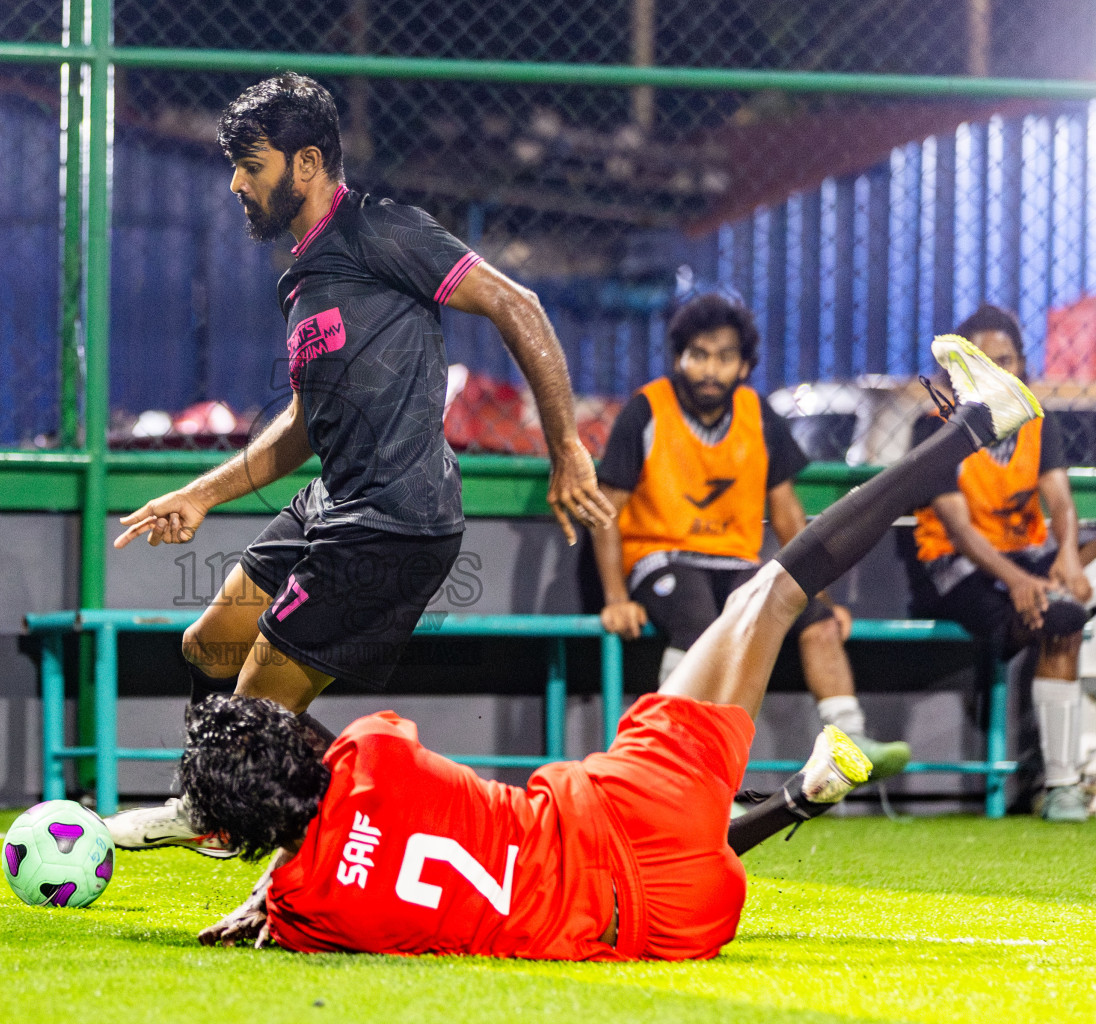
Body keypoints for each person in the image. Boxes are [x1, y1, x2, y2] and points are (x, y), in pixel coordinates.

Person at [180, 335, 1041, 959]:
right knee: (771, 594)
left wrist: (273, 885)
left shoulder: (306, 914)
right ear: (299, 741)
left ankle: (803, 797)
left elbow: (302, 887)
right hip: (631, 814)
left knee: (640, 840)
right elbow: (352, 778)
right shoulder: (369, 753)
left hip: (679, 924)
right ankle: (975, 425)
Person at [104, 74, 613, 854]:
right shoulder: (302, 279)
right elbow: (307, 425)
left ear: (306, 163)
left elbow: (520, 306)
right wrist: (203, 494)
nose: (238, 183)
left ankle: (311, 820)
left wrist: (567, 449)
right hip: (332, 500)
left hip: (395, 517)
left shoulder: (382, 228)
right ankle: (231, 799)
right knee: (210, 648)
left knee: (252, 720)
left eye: (252, 164)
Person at [588, 293, 910, 778]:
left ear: (744, 365)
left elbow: (786, 513)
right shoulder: (646, 410)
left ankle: (851, 741)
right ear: (679, 357)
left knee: (816, 620)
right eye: (698, 354)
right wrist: (614, 596)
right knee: (697, 619)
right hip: (661, 556)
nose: (710, 369)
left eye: (724, 357)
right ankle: (668, 761)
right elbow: (605, 510)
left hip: (735, 562)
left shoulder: (757, 414)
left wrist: (816, 594)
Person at [909, 304, 1092, 822]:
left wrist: (1071, 562)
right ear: (958, 372)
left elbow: (1060, 502)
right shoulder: (936, 429)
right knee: (1060, 619)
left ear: (1022, 365)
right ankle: (1062, 787)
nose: (997, 371)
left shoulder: (1037, 420)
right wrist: (1018, 581)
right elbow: (959, 530)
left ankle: (1067, 780)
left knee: (1070, 599)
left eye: (1006, 360)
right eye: (982, 362)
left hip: (1024, 557)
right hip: (956, 566)